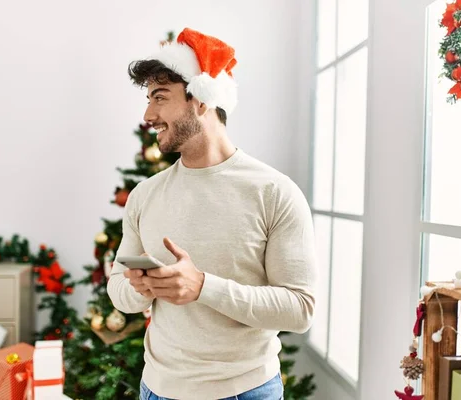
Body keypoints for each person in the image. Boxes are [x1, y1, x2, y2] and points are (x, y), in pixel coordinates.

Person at [107, 27, 317, 400]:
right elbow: (118, 288)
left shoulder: (274, 192)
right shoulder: (144, 196)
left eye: (160, 97)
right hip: (157, 390)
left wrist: (203, 287)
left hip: (247, 391)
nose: (148, 114)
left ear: (200, 101)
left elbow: (299, 309)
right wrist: (139, 289)